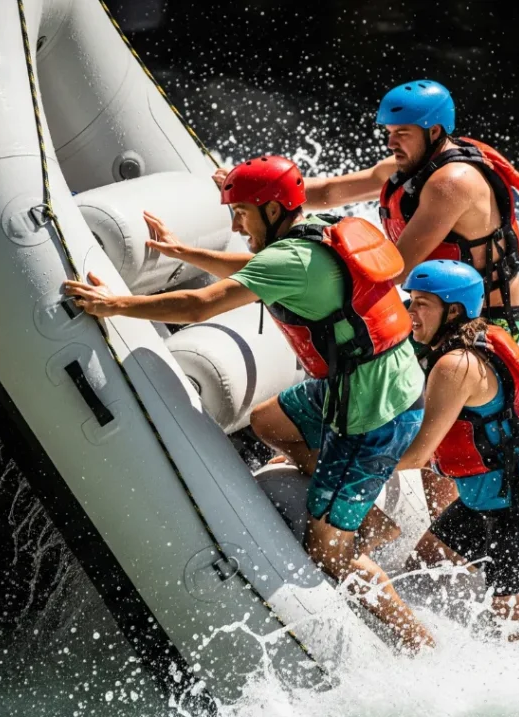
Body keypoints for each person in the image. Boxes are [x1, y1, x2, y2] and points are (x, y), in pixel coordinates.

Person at [64, 155, 434, 650]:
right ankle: (363, 514)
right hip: (376, 384)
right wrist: (184, 251)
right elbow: (256, 270)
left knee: (329, 553)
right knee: (270, 420)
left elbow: (201, 306)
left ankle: (415, 640)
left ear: (274, 208)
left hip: (371, 414)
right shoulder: (312, 232)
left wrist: (117, 305)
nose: (235, 224)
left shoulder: (290, 259)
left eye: (242, 212)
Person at [212, 80, 519, 341]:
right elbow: (327, 192)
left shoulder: (451, 183)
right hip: (434, 308)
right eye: (389, 133)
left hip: (482, 321)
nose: (391, 143)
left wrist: (310, 270)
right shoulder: (410, 166)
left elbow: (397, 269)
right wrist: (256, 188)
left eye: (402, 134)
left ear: (434, 132)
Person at [396, 260, 519, 644]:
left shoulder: (457, 363)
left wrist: (345, 462)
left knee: (516, 641)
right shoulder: (460, 344)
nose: (411, 313)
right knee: (418, 577)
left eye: (422, 303)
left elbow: (420, 454)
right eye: (411, 302)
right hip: (478, 504)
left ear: (453, 311)